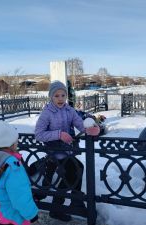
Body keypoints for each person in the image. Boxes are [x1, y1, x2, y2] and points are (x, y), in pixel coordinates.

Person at [34, 80, 100, 222]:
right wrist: (59, 134)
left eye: (63, 95)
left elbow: (80, 126)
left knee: (76, 169)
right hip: (54, 151)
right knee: (75, 170)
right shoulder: (47, 113)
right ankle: (63, 205)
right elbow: (38, 134)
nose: (60, 99)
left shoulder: (69, 110)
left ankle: (71, 202)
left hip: (67, 150)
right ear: (51, 97)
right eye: (57, 96)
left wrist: (91, 128)